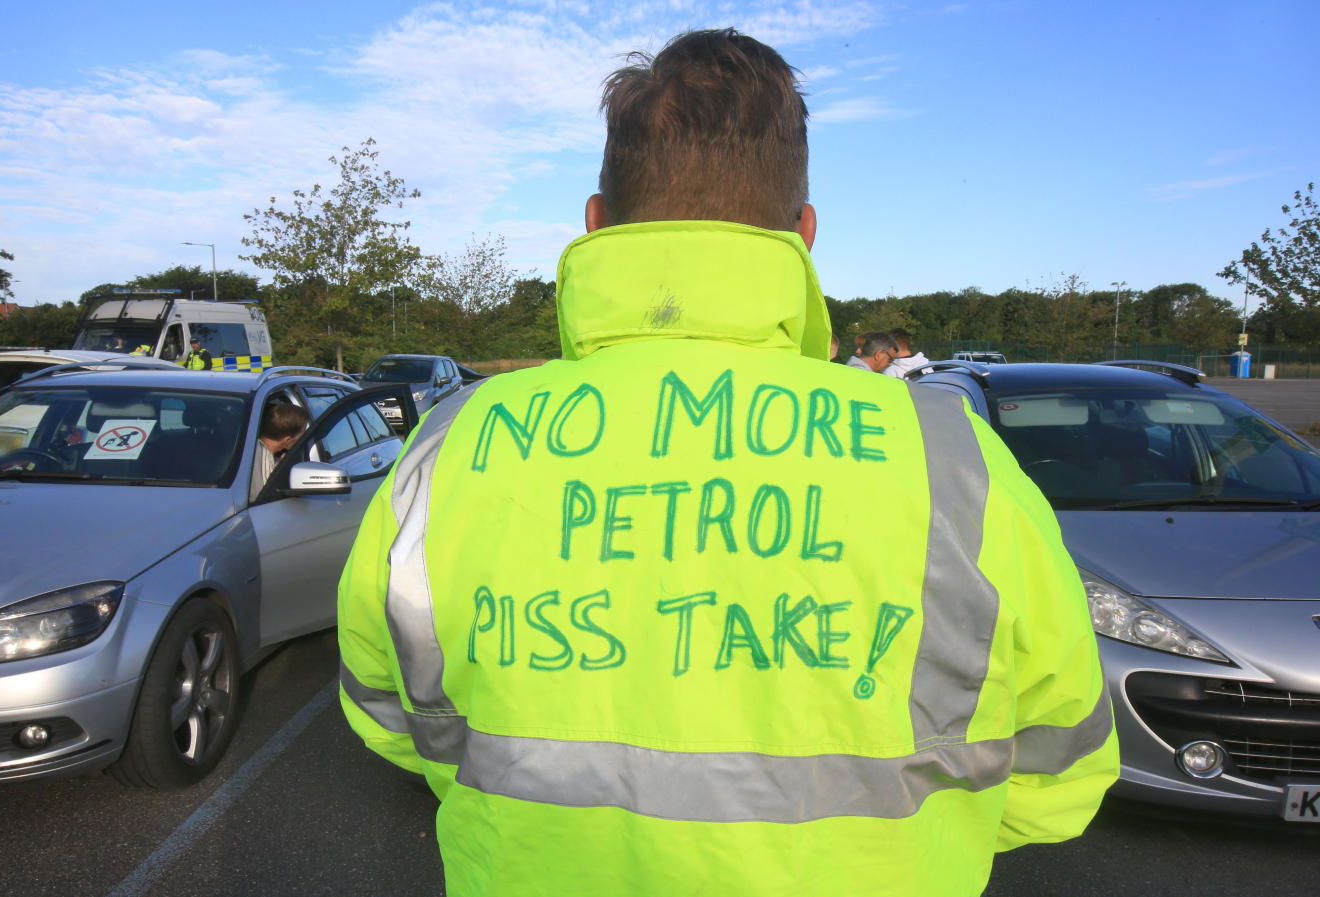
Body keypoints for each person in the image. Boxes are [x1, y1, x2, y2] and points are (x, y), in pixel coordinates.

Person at [337, 28, 1115, 897]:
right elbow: (1060, 767)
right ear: (804, 233)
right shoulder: (951, 455)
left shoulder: (454, 442)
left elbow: (391, 711)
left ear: (595, 224)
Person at [249, 401, 307, 501]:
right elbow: (264, 501)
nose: (304, 438)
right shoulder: (260, 456)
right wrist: (284, 472)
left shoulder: (250, 448)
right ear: (287, 440)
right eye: (303, 433)